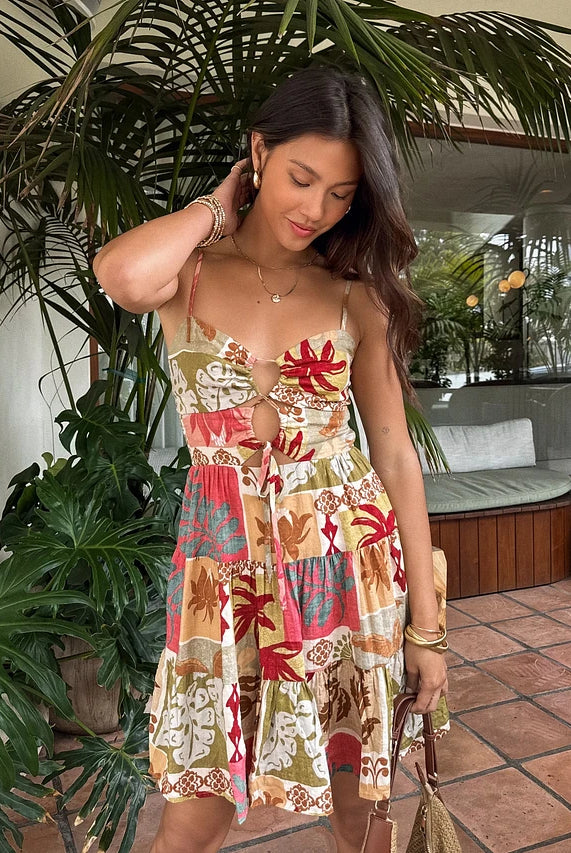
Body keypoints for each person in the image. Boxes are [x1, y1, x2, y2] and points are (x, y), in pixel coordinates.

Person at [93, 64, 449, 853]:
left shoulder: (355, 293)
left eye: (340, 194)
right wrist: (211, 211)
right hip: (223, 577)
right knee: (192, 818)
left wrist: (426, 630)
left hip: (345, 567)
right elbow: (122, 275)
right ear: (258, 152)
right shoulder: (188, 275)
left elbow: (394, 455)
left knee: (360, 810)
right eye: (300, 177)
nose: (314, 209)